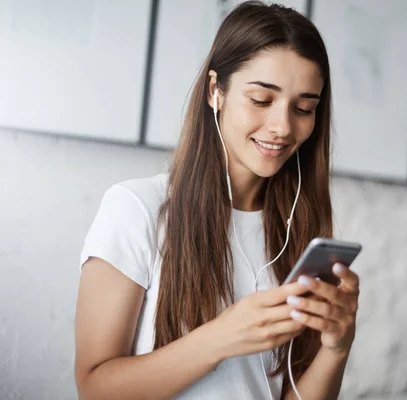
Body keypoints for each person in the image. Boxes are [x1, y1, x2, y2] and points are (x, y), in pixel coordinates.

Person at [74, 1, 360, 399]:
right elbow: (94, 388)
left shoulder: (300, 234)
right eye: (261, 100)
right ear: (215, 91)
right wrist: (222, 337)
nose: (282, 127)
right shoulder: (136, 209)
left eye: (304, 108)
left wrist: (336, 349)